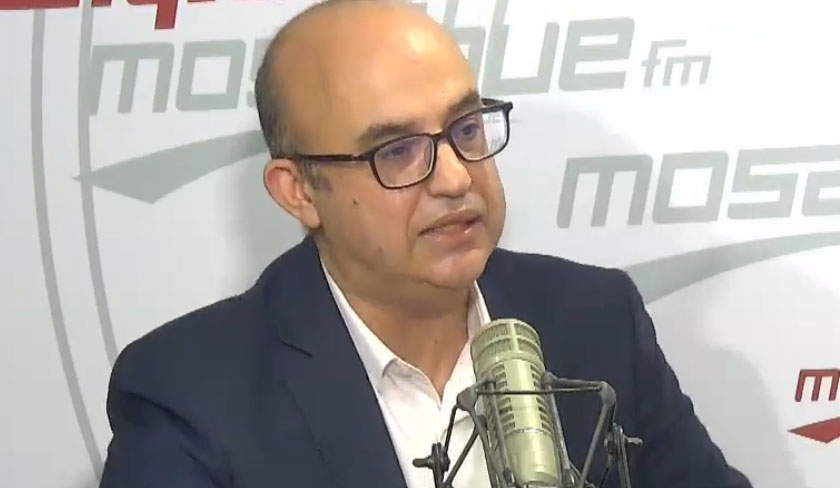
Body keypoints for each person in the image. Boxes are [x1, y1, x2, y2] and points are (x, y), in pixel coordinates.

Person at [98, 1, 753, 487]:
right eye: (397, 151)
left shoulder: (594, 316)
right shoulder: (190, 393)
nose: (456, 177)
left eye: (466, 127)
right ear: (298, 192)